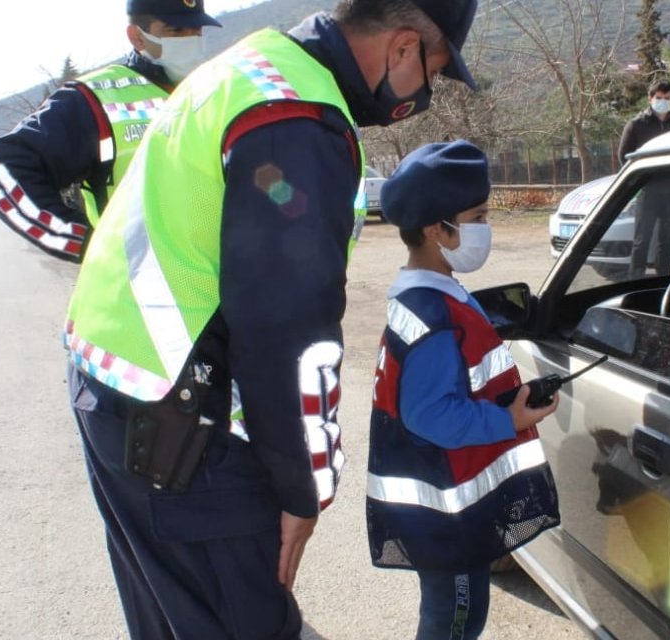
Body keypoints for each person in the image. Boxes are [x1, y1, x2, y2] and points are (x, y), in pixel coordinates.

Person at [63, 1, 481, 637]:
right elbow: (290, 330)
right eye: (434, 72)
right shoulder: (299, 120)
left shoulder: (254, 67)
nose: (424, 94)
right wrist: (302, 489)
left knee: (171, 620)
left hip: (116, 385)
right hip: (184, 428)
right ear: (402, 47)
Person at [366, 140, 561, 640]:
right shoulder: (433, 315)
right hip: (446, 517)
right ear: (437, 230)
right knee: (455, 619)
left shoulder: (433, 292)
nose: (485, 227)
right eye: (477, 217)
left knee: (458, 614)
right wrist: (508, 419)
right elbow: (432, 415)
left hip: (447, 510)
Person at [0, 0, 223, 262]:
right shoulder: (95, 99)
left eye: (197, 30)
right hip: (136, 282)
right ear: (137, 36)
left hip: (224, 278)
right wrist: (86, 245)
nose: (190, 39)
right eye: (175, 30)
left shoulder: (216, 89)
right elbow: (4, 172)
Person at [619, 80, 670, 277]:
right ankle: (636, 279)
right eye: (658, 97)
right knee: (642, 239)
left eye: (666, 98)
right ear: (650, 99)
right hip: (648, 190)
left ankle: (662, 278)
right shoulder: (636, 125)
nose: (662, 101)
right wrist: (637, 182)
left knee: (667, 239)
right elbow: (624, 157)